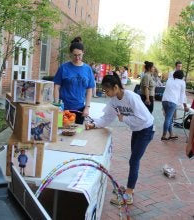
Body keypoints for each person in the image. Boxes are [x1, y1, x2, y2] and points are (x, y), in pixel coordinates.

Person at [85, 72, 154, 205]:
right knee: (133, 160)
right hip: (137, 130)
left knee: (134, 161)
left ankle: (128, 194)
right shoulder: (114, 101)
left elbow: (144, 118)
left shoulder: (131, 97)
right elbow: (107, 118)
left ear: (116, 87)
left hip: (146, 130)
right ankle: (130, 188)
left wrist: (124, 118)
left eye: (107, 90)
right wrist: (93, 124)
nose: (106, 93)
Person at [53, 37, 95, 124]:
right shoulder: (63, 68)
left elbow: (89, 89)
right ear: (70, 54)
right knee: (62, 132)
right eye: (74, 55)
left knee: (77, 134)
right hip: (63, 107)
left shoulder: (88, 69)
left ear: (83, 52)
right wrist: (57, 105)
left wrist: (87, 107)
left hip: (80, 109)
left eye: (79, 55)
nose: (77, 57)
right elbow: (56, 87)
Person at [161, 70, 189, 140]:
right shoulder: (182, 82)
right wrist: (184, 105)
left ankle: (171, 134)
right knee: (168, 118)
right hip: (172, 101)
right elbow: (182, 95)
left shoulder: (169, 80)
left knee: (169, 118)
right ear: (182, 76)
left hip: (164, 100)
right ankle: (164, 135)